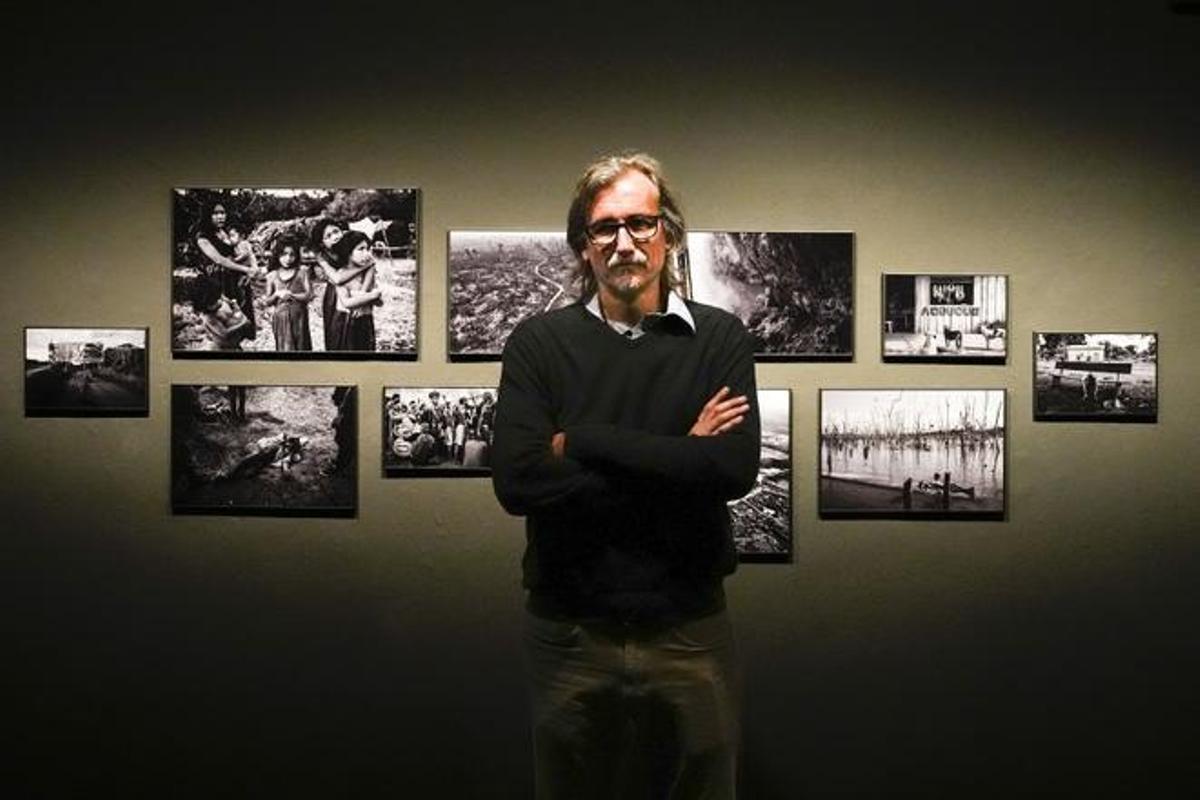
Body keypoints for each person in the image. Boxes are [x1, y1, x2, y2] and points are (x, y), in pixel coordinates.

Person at [491, 152, 760, 799]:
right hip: (569, 629)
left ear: (666, 234)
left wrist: (585, 442)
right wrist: (678, 455)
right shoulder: (538, 344)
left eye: (640, 224)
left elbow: (731, 467)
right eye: (604, 228)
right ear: (583, 247)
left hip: (689, 627)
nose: (624, 242)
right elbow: (519, 482)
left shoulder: (719, 338)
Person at [194, 203, 264, 341]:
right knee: (223, 315)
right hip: (218, 280)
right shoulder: (202, 237)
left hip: (234, 278)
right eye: (215, 213)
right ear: (208, 216)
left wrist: (250, 267)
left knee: (239, 314)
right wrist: (245, 269)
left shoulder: (224, 232)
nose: (220, 216)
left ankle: (238, 343)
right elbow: (220, 260)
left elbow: (238, 253)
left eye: (222, 213)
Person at [309, 219, 375, 351]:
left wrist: (361, 297)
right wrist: (364, 267)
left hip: (359, 289)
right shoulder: (321, 256)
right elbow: (337, 279)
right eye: (328, 236)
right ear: (322, 243)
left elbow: (371, 269)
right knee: (337, 331)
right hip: (335, 295)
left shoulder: (353, 243)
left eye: (336, 231)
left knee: (361, 331)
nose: (335, 237)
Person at [326, 231, 382, 351]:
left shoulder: (366, 274)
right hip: (345, 323)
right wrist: (372, 296)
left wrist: (376, 297)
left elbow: (379, 302)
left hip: (365, 321)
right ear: (348, 252)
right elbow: (347, 302)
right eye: (361, 249)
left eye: (367, 249)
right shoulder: (340, 274)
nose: (366, 253)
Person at [263, 237, 313, 351]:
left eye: (292, 255)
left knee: (301, 345)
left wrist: (292, 295)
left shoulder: (302, 272)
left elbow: (309, 295)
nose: (288, 258)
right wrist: (276, 294)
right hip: (280, 319)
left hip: (299, 317)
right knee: (284, 347)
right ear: (277, 255)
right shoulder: (272, 275)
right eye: (284, 254)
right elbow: (267, 301)